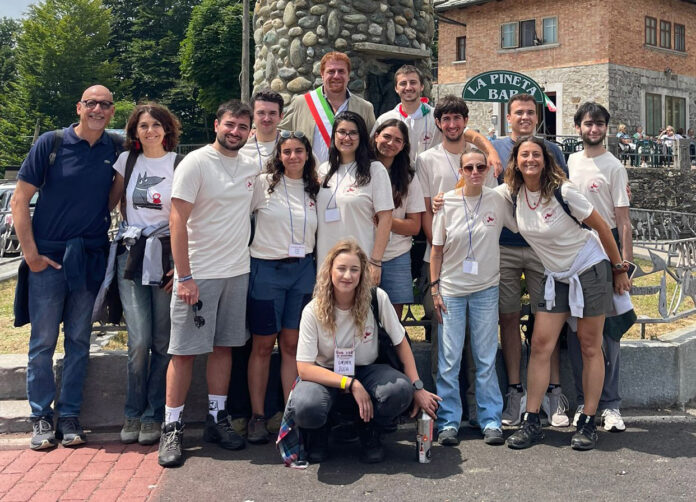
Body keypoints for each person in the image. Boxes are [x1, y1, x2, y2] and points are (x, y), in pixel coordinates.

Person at [502, 136, 631, 451]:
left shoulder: (564, 191)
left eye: (536, 154)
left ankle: (587, 420)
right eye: (524, 155)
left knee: (589, 346)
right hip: (556, 275)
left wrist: (618, 269)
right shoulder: (512, 193)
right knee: (540, 345)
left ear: (545, 160)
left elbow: (602, 227)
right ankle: (532, 421)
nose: (530, 160)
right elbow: (474, 194)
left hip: (589, 268)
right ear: (515, 161)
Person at [12, 85, 120, 450]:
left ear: (112, 111)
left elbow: (113, 196)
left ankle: (70, 414)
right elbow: (19, 200)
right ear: (79, 107)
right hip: (48, 258)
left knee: (79, 340)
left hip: (88, 258)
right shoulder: (52, 143)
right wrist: (31, 255)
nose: (97, 109)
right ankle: (41, 416)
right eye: (91, 103)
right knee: (43, 342)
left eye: (104, 104)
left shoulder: (115, 148)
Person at [158, 101, 258, 467]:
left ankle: (217, 418)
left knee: (224, 347)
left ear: (249, 132)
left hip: (237, 271)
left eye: (242, 127)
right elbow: (176, 219)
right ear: (217, 125)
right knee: (183, 352)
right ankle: (172, 427)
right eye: (230, 124)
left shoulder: (251, 166)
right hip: (198, 274)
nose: (235, 132)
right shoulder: (196, 162)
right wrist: (184, 275)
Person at [289, 239, 441, 463]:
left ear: (362, 274)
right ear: (329, 271)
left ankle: (369, 429)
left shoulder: (376, 298)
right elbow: (304, 368)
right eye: (341, 268)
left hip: (367, 369)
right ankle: (320, 433)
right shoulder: (313, 310)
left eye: (354, 269)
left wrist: (417, 386)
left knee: (400, 390)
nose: (347, 275)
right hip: (327, 373)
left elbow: (401, 343)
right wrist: (350, 383)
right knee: (305, 405)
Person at [417, 95, 500, 427]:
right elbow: (426, 209)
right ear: (438, 123)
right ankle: (448, 416)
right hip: (442, 265)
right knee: (446, 351)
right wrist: (441, 245)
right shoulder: (426, 159)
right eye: (446, 119)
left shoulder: (482, 162)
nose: (452, 124)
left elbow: (496, 204)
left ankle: (484, 414)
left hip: (481, 272)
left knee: (483, 352)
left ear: (466, 121)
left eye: (458, 118)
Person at [490, 93, 570, 428]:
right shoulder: (493, 147)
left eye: (530, 113)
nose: (524, 117)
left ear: (537, 118)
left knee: (546, 320)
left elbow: (565, 194)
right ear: (508, 117)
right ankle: (514, 390)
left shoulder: (552, 151)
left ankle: (553, 391)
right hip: (505, 247)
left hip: (542, 248)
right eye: (518, 113)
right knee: (508, 317)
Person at [429, 149, 517, 446]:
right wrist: (434, 288)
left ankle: (490, 419)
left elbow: (523, 211)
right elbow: (436, 251)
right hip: (452, 290)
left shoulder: (497, 199)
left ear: (488, 171)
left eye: (481, 167)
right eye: (469, 167)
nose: (475, 172)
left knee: (485, 357)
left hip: (485, 289)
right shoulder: (446, 201)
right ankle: (448, 422)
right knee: (449, 360)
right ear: (461, 171)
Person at [108, 103, 181, 446]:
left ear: (167, 129)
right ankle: (132, 411)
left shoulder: (179, 164)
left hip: (166, 256)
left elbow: (187, 217)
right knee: (138, 341)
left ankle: (153, 414)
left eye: (156, 124)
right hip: (132, 255)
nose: (150, 130)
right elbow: (109, 203)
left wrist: (181, 265)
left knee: (162, 341)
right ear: (134, 132)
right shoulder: (127, 161)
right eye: (143, 125)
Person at [246, 131, 320, 444]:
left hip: (302, 271)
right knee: (263, 345)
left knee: (292, 345)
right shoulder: (263, 184)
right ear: (278, 155)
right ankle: (258, 415)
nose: (293, 157)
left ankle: (291, 414)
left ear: (308, 154)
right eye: (287, 151)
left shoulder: (315, 187)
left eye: (299, 151)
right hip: (267, 270)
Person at [567, 102, 632, 433]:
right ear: (578, 127)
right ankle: (584, 400)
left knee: (610, 333)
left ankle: (611, 404)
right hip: (575, 252)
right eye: (588, 123)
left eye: (599, 124)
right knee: (577, 331)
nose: (593, 129)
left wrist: (623, 266)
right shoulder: (570, 162)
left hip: (607, 253)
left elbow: (623, 221)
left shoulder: (614, 167)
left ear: (606, 128)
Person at [315, 111, 393, 284]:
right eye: (342, 132)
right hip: (326, 261)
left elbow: (386, 218)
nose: (347, 138)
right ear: (334, 135)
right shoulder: (324, 170)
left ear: (361, 136)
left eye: (353, 133)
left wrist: (376, 261)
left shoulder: (375, 170)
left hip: (359, 261)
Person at [280, 52, 375, 164]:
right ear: (322, 74)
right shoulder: (301, 103)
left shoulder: (365, 108)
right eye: (331, 71)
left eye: (341, 71)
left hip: (350, 173)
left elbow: (372, 145)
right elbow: (279, 135)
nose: (336, 76)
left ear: (348, 75)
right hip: (310, 173)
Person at [371, 119, 424, 317]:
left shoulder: (408, 178)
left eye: (397, 140)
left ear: (403, 146)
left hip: (396, 255)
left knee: (393, 321)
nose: (390, 143)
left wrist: (385, 221)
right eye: (386, 137)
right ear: (376, 137)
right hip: (363, 252)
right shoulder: (360, 171)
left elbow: (414, 226)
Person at [240, 89, 283, 171]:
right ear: (252, 116)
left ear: (281, 116)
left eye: (272, 113)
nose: (266, 119)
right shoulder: (241, 149)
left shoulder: (293, 146)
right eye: (261, 113)